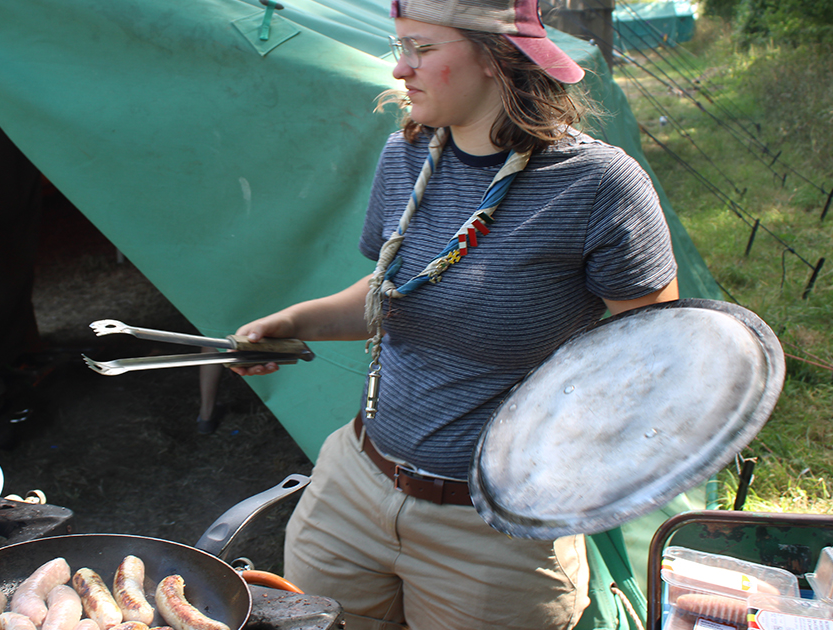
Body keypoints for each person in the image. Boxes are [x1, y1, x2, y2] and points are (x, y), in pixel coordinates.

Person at [231, 0, 680, 627]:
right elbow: (401, 289)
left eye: (422, 49)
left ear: (497, 58)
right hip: (355, 487)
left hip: (495, 533)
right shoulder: (407, 156)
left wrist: (569, 472)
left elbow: (653, 356)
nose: (399, 71)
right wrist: (297, 322)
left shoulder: (598, 186)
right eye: (399, 49)